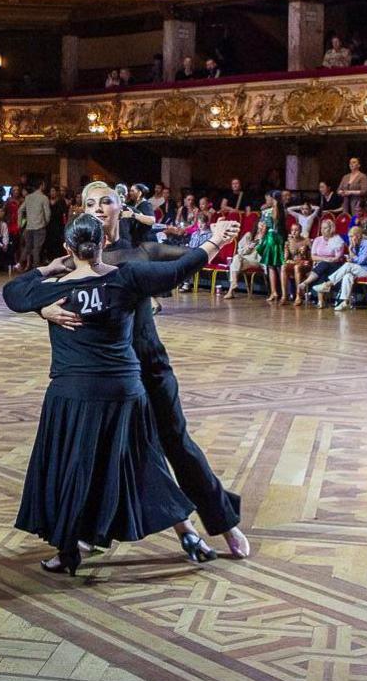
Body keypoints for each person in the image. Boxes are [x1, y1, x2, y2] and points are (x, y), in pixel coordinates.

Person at [23, 184, 251, 560]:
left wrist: (215, 238)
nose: (98, 208)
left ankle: (224, 522)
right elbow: (33, 291)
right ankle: (101, 531)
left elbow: (186, 260)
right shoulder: (71, 261)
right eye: (90, 203)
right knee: (103, 453)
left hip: (149, 366)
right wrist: (42, 309)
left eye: (105, 201)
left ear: (121, 207)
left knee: (177, 443)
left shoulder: (141, 252)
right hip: (103, 376)